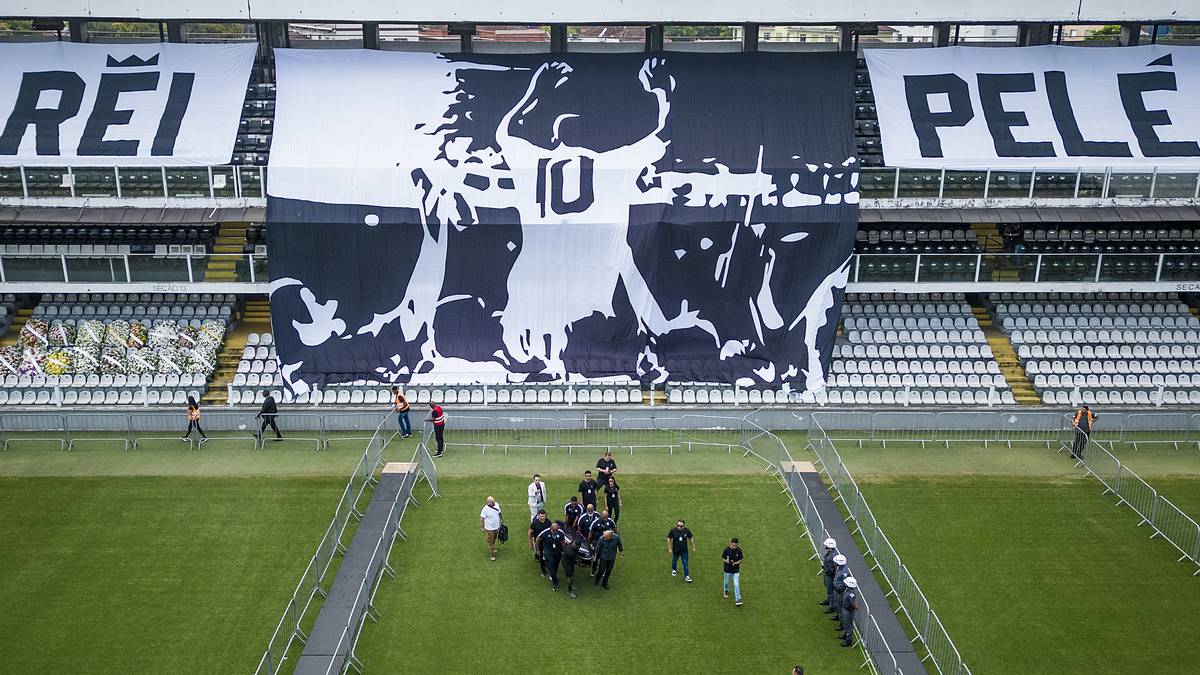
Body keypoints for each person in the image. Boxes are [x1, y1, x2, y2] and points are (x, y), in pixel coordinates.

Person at [536, 520, 567, 591]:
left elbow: (563, 542)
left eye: (557, 531)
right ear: (551, 529)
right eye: (554, 531)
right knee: (552, 567)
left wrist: (564, 551)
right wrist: (538, 550)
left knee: (556, 565)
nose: (556, 532)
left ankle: (553, 575)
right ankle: (555, 584)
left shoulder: (561, 533)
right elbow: (538, 539)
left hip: (557, 551)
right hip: (548, 551)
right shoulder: (545, 533)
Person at [589, 509, 616, 577]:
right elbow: (591, 533)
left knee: (604, 557)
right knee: (596, 558)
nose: (606, 519)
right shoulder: (595, 523)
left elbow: (615, 530)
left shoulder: (610, 521)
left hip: (606, 543)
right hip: (597, 542)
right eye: (604, 517)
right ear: (601, 516)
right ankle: (593, 570)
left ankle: (602, 570)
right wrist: (589, 543)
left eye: (607, 517)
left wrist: (616, 539)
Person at [528, 509, 551, 576]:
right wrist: (530, 543)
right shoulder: (535, 523)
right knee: (541, 556)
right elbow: (529, 532)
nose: (542, 518)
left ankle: (545, 564)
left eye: (544, 516)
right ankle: (543, 570)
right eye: (541, 516)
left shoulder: (548, 522)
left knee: (547, 555)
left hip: (546, 542)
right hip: (538, 542)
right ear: (538, 516)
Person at [722, 538, 744, 606]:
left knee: (736, 584)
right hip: (727, 570)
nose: (734, 547)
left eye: (735, 545)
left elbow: (740, 560)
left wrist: (735, 563)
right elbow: (723, 558)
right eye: (733, 545)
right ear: (731, 543)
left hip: (735, 570)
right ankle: (726, 591)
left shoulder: (739, 550)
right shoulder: (726, 550)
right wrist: (726, 561)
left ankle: (737, 599)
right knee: (726, 582)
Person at [480, 496, 503, 561]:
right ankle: (492, 555)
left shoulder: (497, 504)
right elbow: (482, 519)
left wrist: (501, 519)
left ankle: (492, 548)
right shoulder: (485, 509)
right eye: (492, 502)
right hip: (489, 529)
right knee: (490, 541)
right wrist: (482, 527)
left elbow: (499, 512)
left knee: (494, 539)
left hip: (496, 527)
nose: (494, 503)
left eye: (494, 501)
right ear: (488, 502)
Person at [838, 577, 860, 647]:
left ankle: (848, 640)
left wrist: (856, 608)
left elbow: (852, 603)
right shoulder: (848, 590)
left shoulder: (851, 593)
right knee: (845, 623)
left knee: (848, 624)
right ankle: (846, 635)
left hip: (848, 610)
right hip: (845, 609)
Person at [819, 538, 839, 612]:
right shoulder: (830, 552)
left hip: (830, 575)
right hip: (827, 572)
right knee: (827, 587)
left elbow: (835, 566)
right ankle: (828, 600)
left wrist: (831, 572)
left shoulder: (834, 555)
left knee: (831, 590)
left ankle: (832, 606)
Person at [561, 528, 581, 598]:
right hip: (567, 564)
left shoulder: (573, 542)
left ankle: (571, 586)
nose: (577, 548)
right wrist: (580, 563)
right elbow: (575, 560)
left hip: (570, 563)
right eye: (576, 547)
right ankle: (569, 590)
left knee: (572, 574)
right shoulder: (570, 552)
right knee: (570, 577)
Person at [830, 554, 849, 624]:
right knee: (836, 604)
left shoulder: (844, 572)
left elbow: (845, 583)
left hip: (840, 591)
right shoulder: (839, 568)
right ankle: (838, 616)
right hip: (836, 589)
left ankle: (841, 623)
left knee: (840, 606)